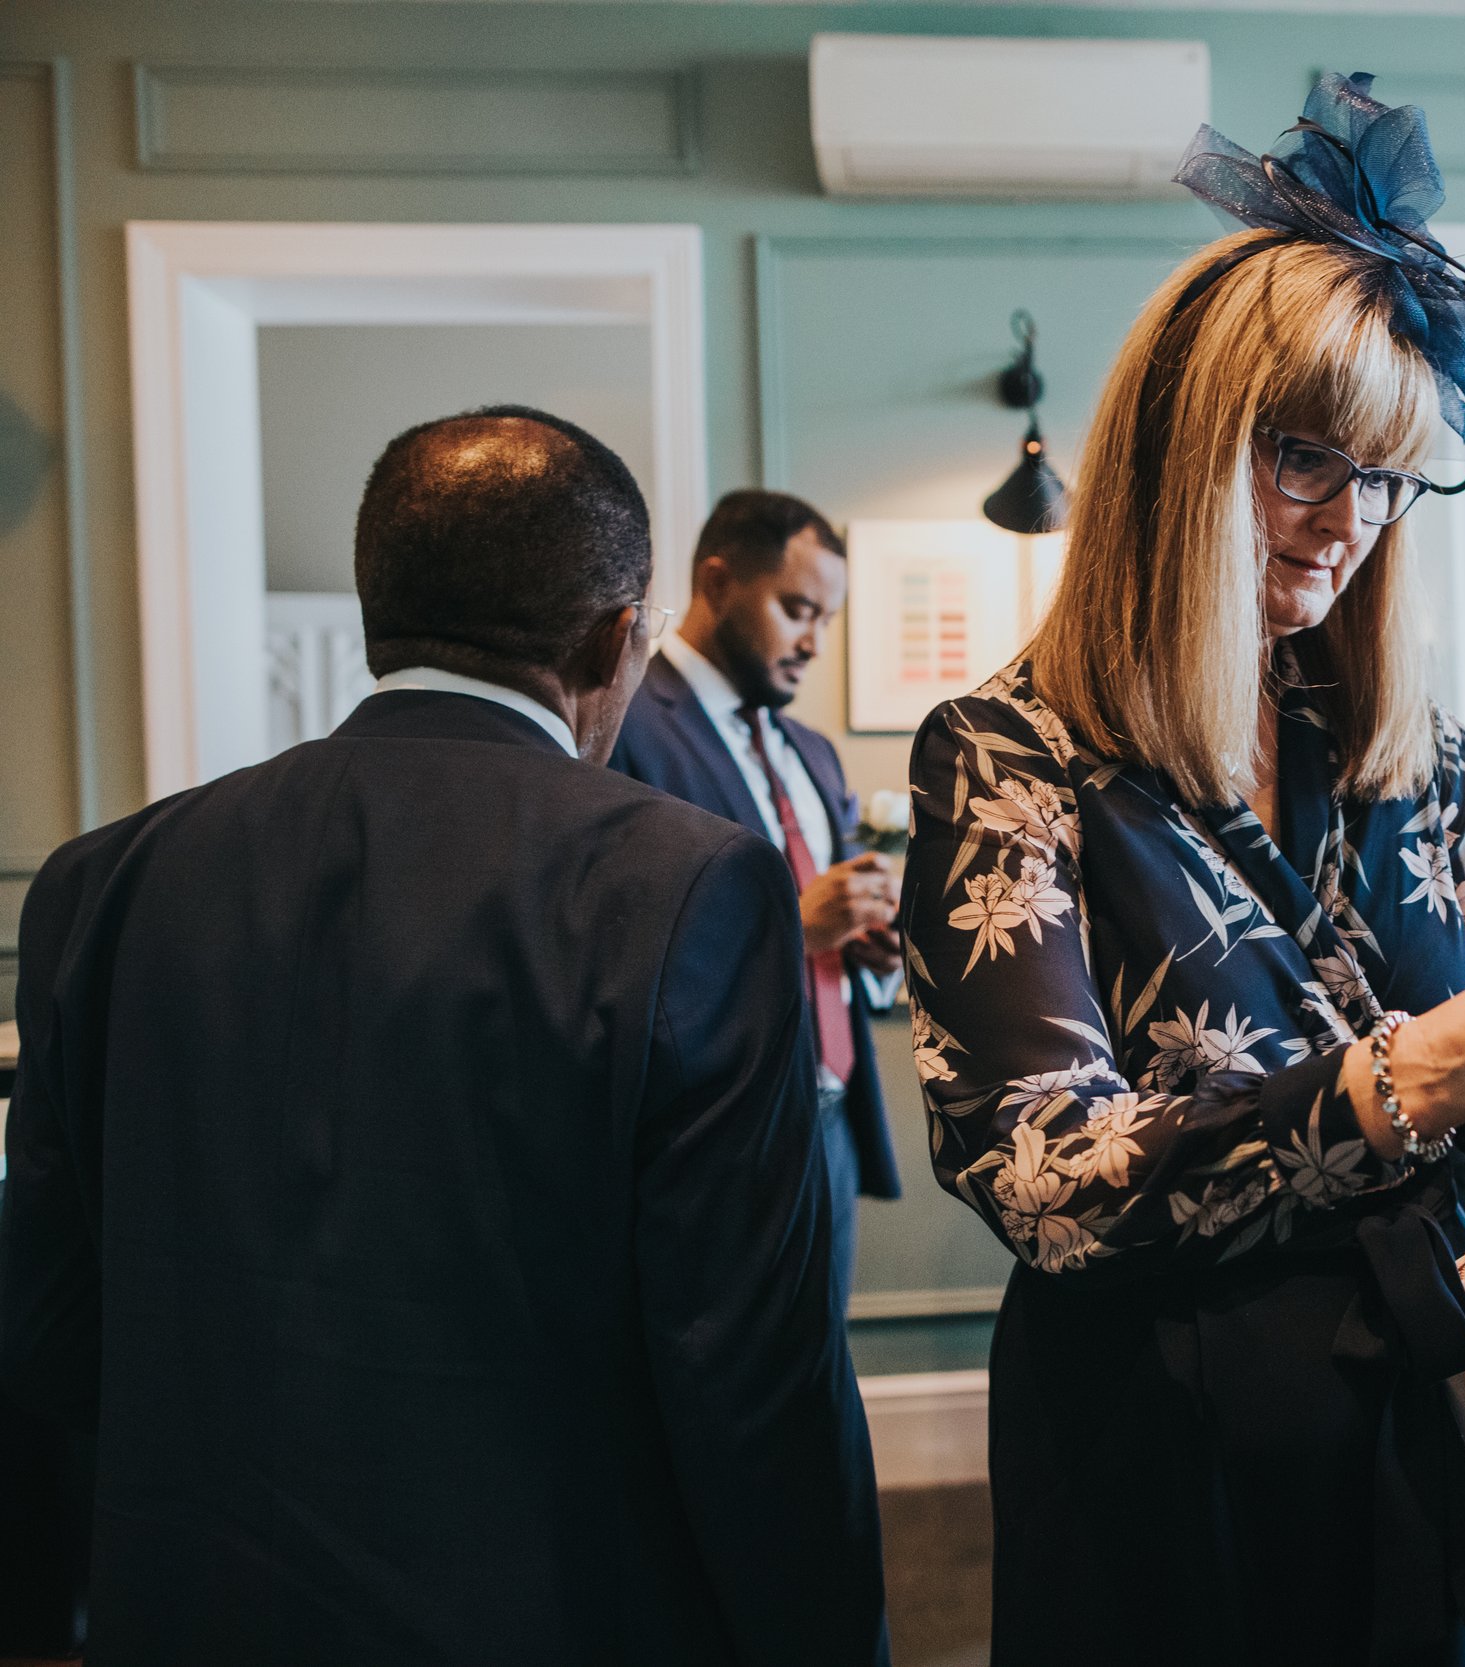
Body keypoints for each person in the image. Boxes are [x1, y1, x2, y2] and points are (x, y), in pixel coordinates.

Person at [901, 75, 1465, 1667]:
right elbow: (1044, 1182)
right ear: (1173, 455)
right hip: (1168, 1456)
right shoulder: (1006, 755)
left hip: (1444, 1423)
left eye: (1394, 476)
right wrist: (1426, 1073)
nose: (1352, 523)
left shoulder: (1424, 751)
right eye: (1306, 463)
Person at [0, 407, 888, 1665]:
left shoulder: (106, 879)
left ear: (382, 614)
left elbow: (44, 1325)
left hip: (189, 1601)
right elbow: (751, 1380)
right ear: (615, 636)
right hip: (548, 1609)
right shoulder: (685, 886)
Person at [609, 489, 904, 1297]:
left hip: (833, 1120)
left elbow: (835, 939)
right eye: (797, 608)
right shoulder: (627, 726)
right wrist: (794, 929)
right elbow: (613, 947)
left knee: (817, 1379)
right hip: (712, 1133)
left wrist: (872, 943)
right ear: (716, 581)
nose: (814, 642)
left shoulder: (813, 750)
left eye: (827, 620)